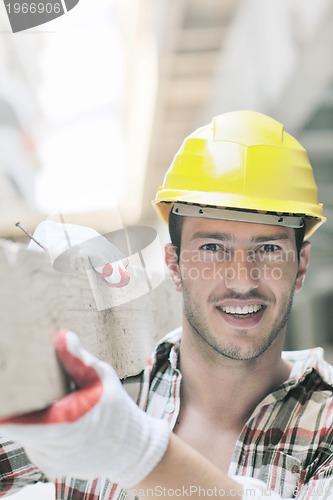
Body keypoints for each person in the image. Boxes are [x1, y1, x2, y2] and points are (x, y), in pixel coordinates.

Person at [0, 110, 332, 499]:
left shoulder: (325, 425)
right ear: (174, 265)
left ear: (301, 265)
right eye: (212, 248)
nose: (242, 278)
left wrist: (134, 451)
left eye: (269, 249)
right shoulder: (108, 385)